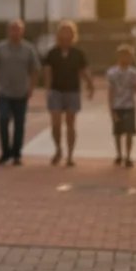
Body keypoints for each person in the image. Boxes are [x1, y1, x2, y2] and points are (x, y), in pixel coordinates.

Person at [0, 20, 40, 165]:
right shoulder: (0, 48)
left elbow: (35, 69)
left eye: (18, 29)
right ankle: (5, 152)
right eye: (12, 29)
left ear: (22, 31)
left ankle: (17, 153)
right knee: (3, 120)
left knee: (19, 124)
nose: (15, 32)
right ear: (8, 31)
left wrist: (31, 88)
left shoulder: (28, 49)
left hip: (21, 92)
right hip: (4, 92)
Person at [43, 20, 95, 166]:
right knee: (56, 123)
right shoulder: (52, 53)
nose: (66, 34)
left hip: (72, 90)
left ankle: (70, 155)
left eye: (69, 31)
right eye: (63, 31)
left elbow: (84, 71)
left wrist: (90, 85)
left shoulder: (78, 53)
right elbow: (47, 72)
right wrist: (48, 90)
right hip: (56, 90)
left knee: (70, 124)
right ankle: (58, 148)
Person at [106, 43, 136, 167]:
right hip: (117, 105)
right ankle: (119, 154)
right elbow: (110, 91)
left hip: (129, 105)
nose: (125, 58)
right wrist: (111, 109)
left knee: (129, 132)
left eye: (128, 56)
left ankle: (128, 156)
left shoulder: (133, 72)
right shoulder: (112, 72)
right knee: (117, 132)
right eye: (123, 55)